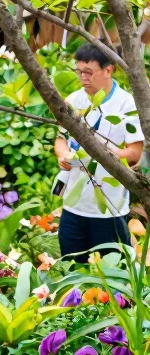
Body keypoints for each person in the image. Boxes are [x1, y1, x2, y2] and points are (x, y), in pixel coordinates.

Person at [54, 42, 144, 264]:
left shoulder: (126, 105)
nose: (83, 78)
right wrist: (63, 155)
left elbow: (134, 152)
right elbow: (60, 140)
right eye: (79, 71)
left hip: (109, 208)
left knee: (115, 273)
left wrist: (106, 154)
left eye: (89, 72)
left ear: (108, 69)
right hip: (73, 206)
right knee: (71, 266)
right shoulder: (73, 101)